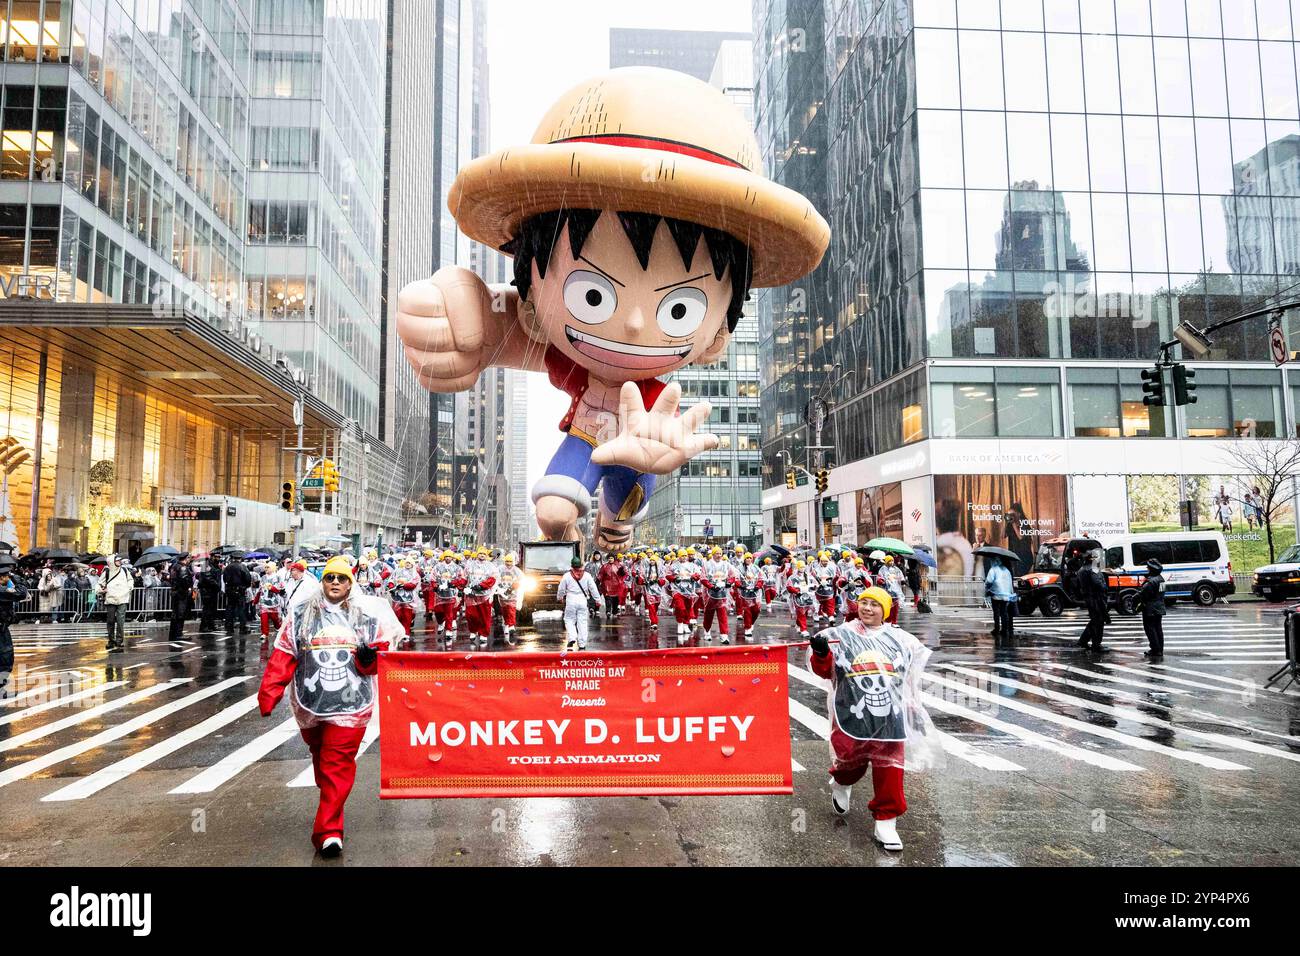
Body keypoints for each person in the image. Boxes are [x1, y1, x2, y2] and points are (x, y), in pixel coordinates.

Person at [396, 69, 828, 551]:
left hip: (640, 450)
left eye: (678, 309)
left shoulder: (654, 398)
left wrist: (657, 441)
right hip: (584, 436)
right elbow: (500, 325)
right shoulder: (550, 335)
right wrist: (464, 317)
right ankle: (580, 537)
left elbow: (518, 330)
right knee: (554, 511)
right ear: (535, 301)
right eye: (593, 295)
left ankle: (615, 525)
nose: (637, 323)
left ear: (716, 337)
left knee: (625, 499)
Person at [258, 555, 401, 857]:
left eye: (342, 578)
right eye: (330, 578)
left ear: (351, 582)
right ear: (322, 581)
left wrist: (370, 659)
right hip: (312, 707)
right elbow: (284, 654)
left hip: (351, 707)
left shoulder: (366, 616)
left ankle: (329, 831)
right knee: (324, 765)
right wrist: (269, 694)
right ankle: (331, 808)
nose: (335, 583)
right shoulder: (301, 614)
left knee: (337, 765)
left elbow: (385, 657)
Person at [807, 586, 940, 852]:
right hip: (851, 711)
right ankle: (841, 783)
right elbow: (825, 671)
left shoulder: (901, 640)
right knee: (850, 761)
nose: (868, 608)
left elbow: (909, 680)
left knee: (890, 767)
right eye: (864, 603)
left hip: (891, 715)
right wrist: (821, 654)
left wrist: (914, 709)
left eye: (875, 604)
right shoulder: (841, 635)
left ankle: (886, 821)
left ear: (886, 610)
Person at [557, 556, 600, 650]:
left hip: (570, 600)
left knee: (569, 620)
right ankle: (582, 644)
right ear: (581, 565)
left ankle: (572, 637)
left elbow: (561, 589)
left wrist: (560, 597)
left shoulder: (567, 576)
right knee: (582, 622)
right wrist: (598, 600)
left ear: (572, 566)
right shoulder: (587, 575)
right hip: (582, 600)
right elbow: (593, 588)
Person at [0, 564, 28, 694]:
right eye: (6, 576)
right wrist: (17, 578)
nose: (8, 578)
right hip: (1, 629)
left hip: (3, 627)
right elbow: (21, 593)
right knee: (5, 657)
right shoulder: (1, 591)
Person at [1076, 552, 1109, 654]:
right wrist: (1105, 587)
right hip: (1097, 598)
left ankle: (1083, 640)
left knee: (1095, 620)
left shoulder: (1081, 570)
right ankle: (1096, 645)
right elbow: (1098, 584)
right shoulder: (1093, 569)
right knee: (1099, 622)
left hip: (1088, 598)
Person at [1135, 558, 1166, 660]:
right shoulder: (1161, 579)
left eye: (1148, 567)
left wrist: (1134, 598)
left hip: (1150, 609)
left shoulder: (1151, 581)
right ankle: (1159, 649)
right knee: (1158, 629)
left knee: (1150, 629)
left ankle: (1155, 649)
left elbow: (1142, 594)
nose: (1147, 568)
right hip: (1159, 607)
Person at [100, 556, 133, 652]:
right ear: (112, 562)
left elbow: (130, 580)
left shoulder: (124, 570)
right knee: (110, 621)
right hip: (110, 599)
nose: (119, 562)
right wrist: (101, 590)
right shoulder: (106, 572)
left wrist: (129, 587)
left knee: (120, 621)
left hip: (122, 598)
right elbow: (99, 583)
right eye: (117, 560)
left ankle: (119, 640)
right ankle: (111, 640)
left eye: (119, 560)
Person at [496, 553, 525, 644]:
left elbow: (521, 580)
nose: (508, 563)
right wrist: (500, 589)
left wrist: (513, 588)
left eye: (510, 561)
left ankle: (511, 625)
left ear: (513, 562)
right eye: (507, 561)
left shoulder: (517, 570)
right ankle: (506, 624)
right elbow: (495, 579)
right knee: (504, 610)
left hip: (513, 593)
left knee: (511, 609)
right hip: (502, 593)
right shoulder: (500, 569)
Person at [984, 556, 1015, 643]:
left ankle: (997, 629)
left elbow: (989, 581)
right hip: (1006, 595)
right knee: (1004, 612)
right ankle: (1004, 629)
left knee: (996, 612)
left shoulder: (993, 569)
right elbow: (1010, 583)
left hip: (996, 594)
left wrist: (987, 588)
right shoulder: (1007, 570)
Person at [222, 557, 252, 635]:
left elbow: (224, 579)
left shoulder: (228, 567)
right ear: (240, 559)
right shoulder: (242, 567)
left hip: (230, 590)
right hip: (239, 590)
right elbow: (248, 578)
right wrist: (245, 586)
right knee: (241, 609)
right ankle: (242, 628)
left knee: (230, 608)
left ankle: (229, 628)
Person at [168, 557, 194, 642]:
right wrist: (189, 588)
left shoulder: (174, 566)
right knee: (180, 614)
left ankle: (173, 634)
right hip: (181, 593)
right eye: (187, 559)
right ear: (185, 559)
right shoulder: (182, 568)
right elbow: (184, 579)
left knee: (175, 614)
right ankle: (178, 634)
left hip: (175, 592)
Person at [197, 560, 222, 631]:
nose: (218, 558)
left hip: (211, 591)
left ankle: (211, 625)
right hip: (207, 591)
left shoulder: (213, 566)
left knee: (211, 609)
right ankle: (204, 626)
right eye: (217, 556)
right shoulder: (207, 566)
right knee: (207, 609)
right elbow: (209, 578)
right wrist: (217, 586)